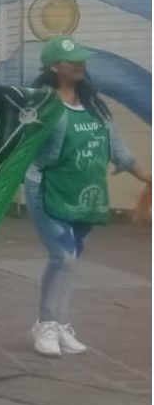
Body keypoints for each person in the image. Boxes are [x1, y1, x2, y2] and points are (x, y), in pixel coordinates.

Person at [25, 36, 149, 357]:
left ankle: (60, 322)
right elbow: (18, 141)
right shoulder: (41, 102)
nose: (81, 64)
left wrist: (145, 176)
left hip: (86, 194)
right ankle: (46, 325)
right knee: (62, 256)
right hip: (47, 189)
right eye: (73, 60)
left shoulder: (95, 105)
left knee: (70, 261)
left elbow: (117, 150)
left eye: (82, 59)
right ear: (55, 67)